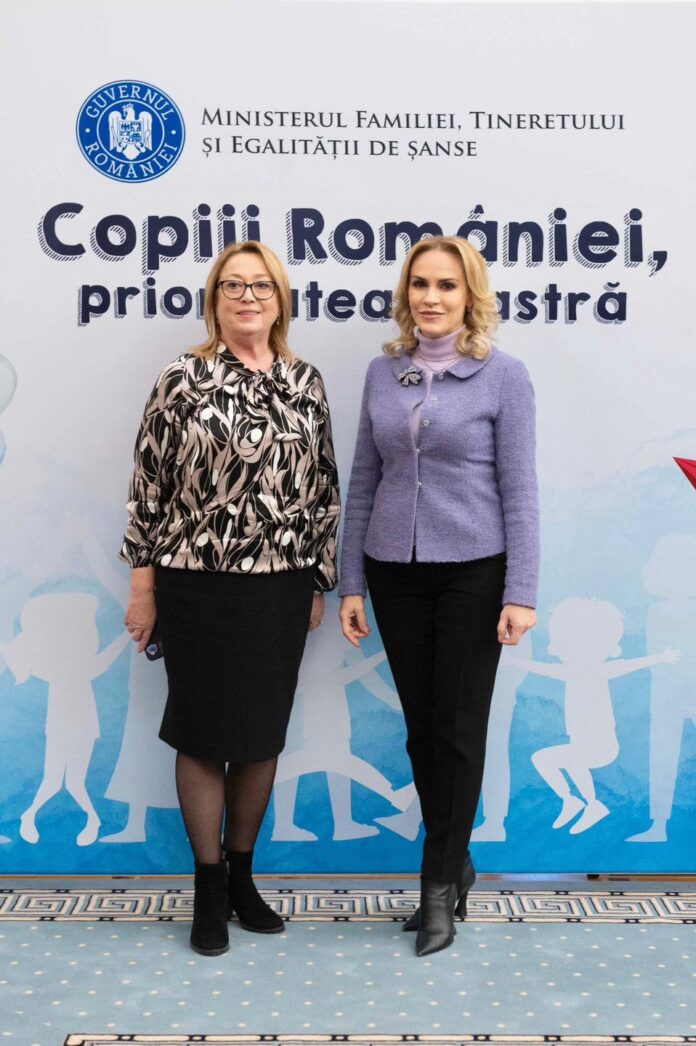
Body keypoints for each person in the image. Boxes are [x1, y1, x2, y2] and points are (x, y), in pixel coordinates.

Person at [120, 241, 340, 956]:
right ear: (214, 299)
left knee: (259, 735)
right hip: (195, 583)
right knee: (201, 733)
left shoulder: (306, 381)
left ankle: (243, 878)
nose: (248, 296)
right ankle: (209, 888)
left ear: (281, 300)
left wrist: (317, 579)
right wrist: (143, 588)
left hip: (280, 586)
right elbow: (147, 486)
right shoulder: (182, 377)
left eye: (262, 285)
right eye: (233, 285)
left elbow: (323, 489)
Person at [339, 235, 539, 956]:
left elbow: (520, 491)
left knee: (457, 730)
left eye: (447, 285)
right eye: (420, 284)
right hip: (394, 570)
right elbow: (364, 480)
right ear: (406, 295)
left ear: (470, 295)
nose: (431, 297)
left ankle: (435, 889)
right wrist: (351, 582)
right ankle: (456, 862)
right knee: (423, 731)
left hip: (474, 573)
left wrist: (521, 591)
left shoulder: (504, 377)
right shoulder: (382, 372)